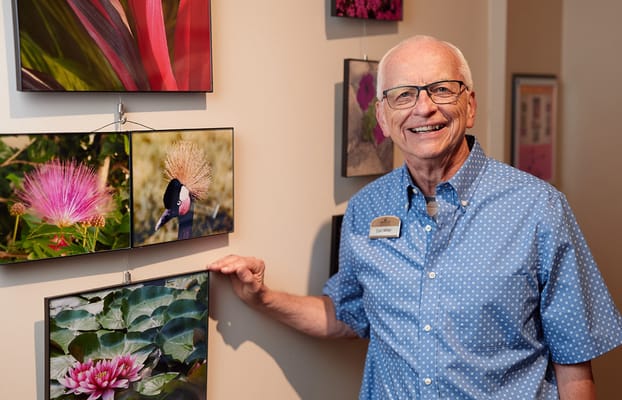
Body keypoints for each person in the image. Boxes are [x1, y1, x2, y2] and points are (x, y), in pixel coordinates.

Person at [208, 35, 622, 399]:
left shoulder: (538, 208)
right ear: (384, 118)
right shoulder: (366, 209)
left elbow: (575, 366)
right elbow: (347, 316)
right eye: (404, 95)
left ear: (470, 105)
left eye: (442, 89)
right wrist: (262, 299)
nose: (424, 108)